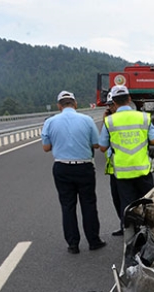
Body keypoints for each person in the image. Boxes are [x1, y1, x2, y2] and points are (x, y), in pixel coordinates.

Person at [41, 90, 106, 254]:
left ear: (59, 106)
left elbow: (46, 147)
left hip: (62, 167)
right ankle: (93, 240)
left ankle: (73, 244)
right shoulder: (87, 120)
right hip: (84, 167)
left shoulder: (50, 122)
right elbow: (97, 144)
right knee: (89, 204)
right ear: (75, 104)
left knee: (67, 206)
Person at [99, 85, 154, 236]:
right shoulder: (143, 117)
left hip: (122, 172)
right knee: (146, 203)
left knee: (127, 205)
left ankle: (131, 237)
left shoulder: (110, 121)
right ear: (129, 99)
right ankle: (151, 234)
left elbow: (102, 147)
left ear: (113, 101)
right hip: (142, 169)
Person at [102, 92, 123, 236]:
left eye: (110, 105)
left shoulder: (111, 122)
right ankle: (126, 225)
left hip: (119, 167)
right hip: (135, 166)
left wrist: (106, 121)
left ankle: (127, 226)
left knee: (121, 199)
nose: (109, 107)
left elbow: (102, 146)